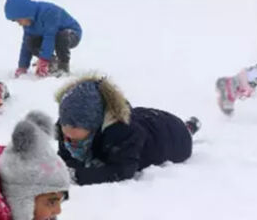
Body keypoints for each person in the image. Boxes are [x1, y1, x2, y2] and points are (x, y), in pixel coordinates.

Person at [55, 75, 199, 186]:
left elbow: (122, 170)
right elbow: (65, 158)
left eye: (75, 139)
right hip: (146, 118)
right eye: (66, 136)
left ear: (95, 126)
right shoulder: (67, 126)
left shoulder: (122, 134)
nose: (68, 141)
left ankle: (190, 127)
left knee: (184, 132)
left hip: (173, 136)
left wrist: (76, 176)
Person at [3, 0, 82, 77]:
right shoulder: (28, 22)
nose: (19, 24)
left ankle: (63, 67)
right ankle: (52, 62)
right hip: (50, 36)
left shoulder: (48, 12)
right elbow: (26, 44)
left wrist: (43, 60)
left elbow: (49, 37)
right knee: (30, 41)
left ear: (25, 13)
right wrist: (23, 66)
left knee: (60, 37)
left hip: (71, 34)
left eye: (19, 20)